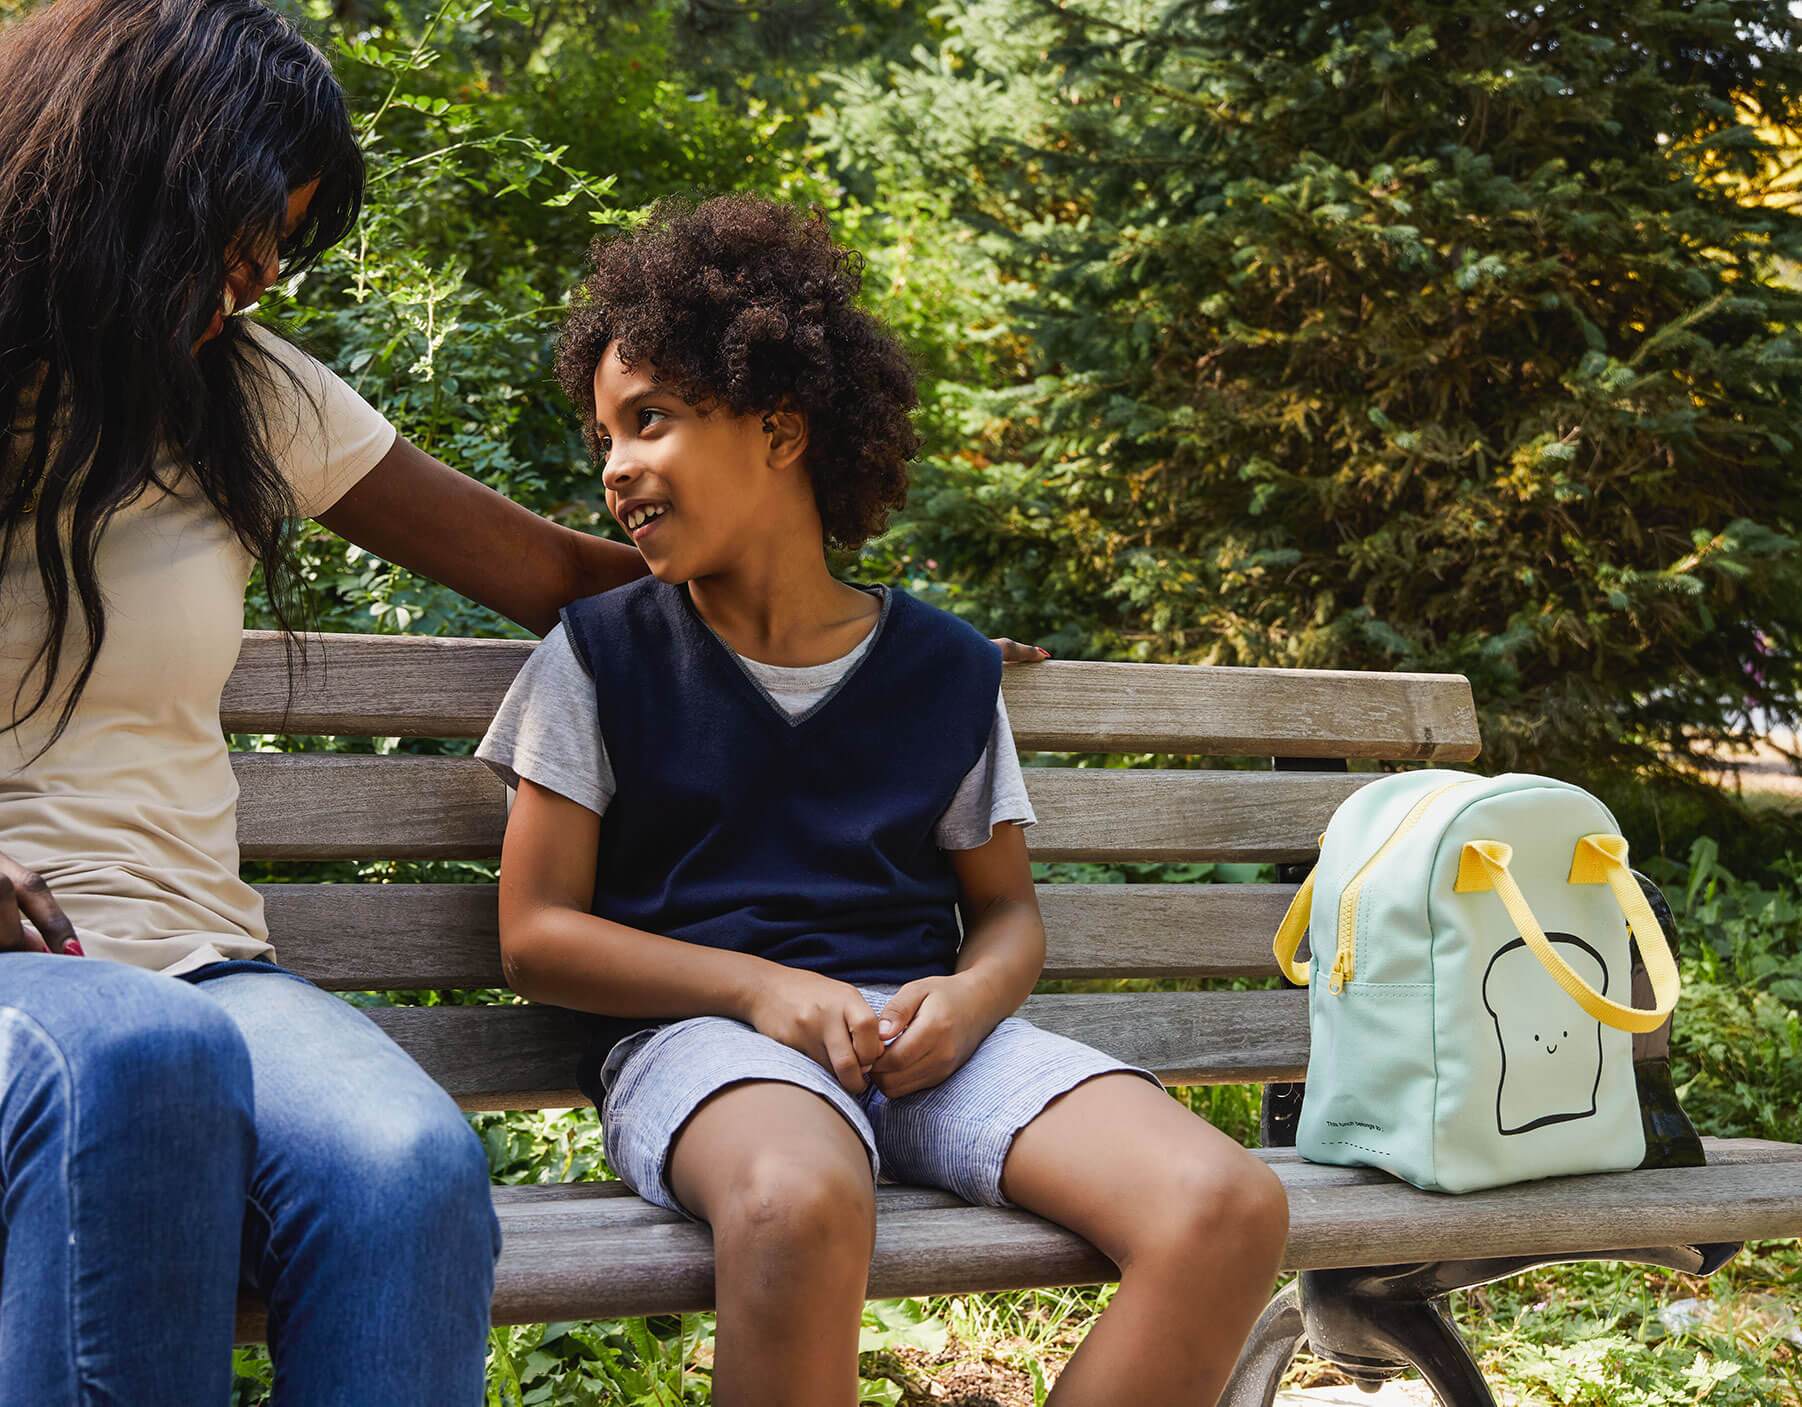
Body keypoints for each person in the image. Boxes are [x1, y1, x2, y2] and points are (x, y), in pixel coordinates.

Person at [0, 3, 1048, 1403]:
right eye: (233, 244)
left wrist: (870, 632)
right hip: (59, 993)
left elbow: (550, 571)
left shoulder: (240, 394)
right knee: (140, 1053)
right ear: (129, 177)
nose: (244, 292)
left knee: (411, 1166)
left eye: (269, 263)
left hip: (199, 963)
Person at [476, 192, 1289, 1407]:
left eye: (650, 420)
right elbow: (535, 937)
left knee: (1224, 1203)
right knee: (796, 1198)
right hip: (709, 1047)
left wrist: (967, 1001)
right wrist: (758, 987)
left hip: (927, 1049)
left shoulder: (944, 671)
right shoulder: (596, 660)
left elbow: (1008, 916)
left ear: (780, 428)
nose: (614, 468)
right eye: (602, 437)